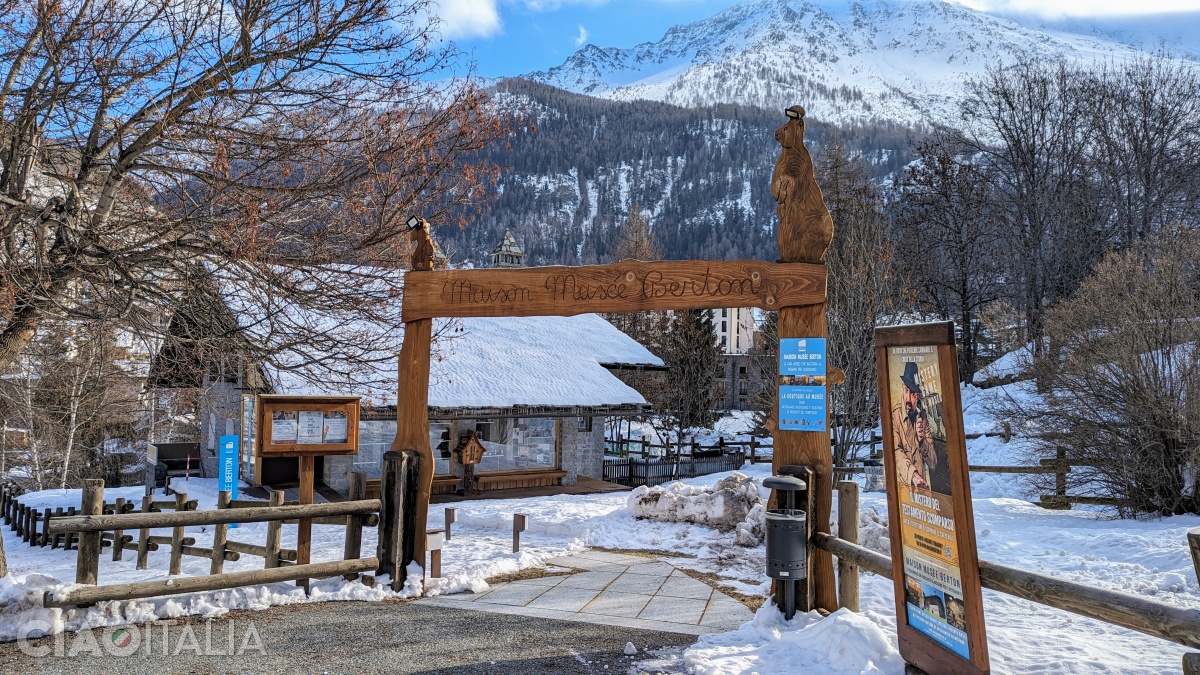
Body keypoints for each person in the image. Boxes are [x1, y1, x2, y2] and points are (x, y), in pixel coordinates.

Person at [892, 361, 936, 491]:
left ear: (917, 396)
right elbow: (896, 452)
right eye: (906, 390)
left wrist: (922, 441)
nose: (908, 398)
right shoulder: (895, 415)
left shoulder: (922, 417)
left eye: (912, 394)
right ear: (902, 388)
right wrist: (913, 475)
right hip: (904, 491)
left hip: (923, 493)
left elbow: (933, 463)